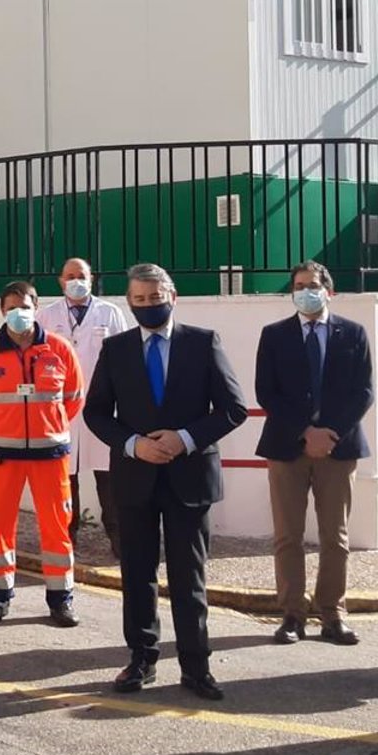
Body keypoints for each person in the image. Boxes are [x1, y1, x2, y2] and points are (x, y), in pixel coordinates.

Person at [84, 263, 248, 701]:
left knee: (188, 577)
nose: (148, 306)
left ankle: (196, 666)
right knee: (137, 574)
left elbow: (233, 408)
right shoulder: (116, 349)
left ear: (172, 296)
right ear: (129, 302)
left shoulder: (203, 342)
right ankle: (141, 659)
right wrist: (134, 444)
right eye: (138, 300)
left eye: (155, 298)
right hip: (136, 476)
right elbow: (96, 412)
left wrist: (185, 439)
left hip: (188, 476)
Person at [254, 260, 374, 647]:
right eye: (300, 285)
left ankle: (332, 613)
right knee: (288, 535)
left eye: (313, 285)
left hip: (338, 449)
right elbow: (266, 392)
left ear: (329, 291)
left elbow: (363, 392)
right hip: (287, 447)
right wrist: (304, 432)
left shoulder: (353, 334)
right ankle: (292, 613)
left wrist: (329, 433)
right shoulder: (274, 335)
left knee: (334, 536)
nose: (306, 291)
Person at [0, 281, 84, 628]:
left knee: (57, 527)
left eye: (25, 305)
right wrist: (5, 425)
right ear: (2, 310)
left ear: (36, 306)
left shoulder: (59, 349)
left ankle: (60, 599)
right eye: (12, 306)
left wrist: (48, 426)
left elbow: (74, 397)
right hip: (3, 454)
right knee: (0, 526)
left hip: (51, 453)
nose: (19, 312)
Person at [38, 258, 131, 531]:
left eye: (81, 276)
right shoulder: (46, 316)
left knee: (108, 474)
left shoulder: (110, 313)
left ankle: (117, 534)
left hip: (102, 405)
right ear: (60, 280)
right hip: (62, 407)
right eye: (70, 276)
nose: (75, 281)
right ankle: (68, 531)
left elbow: (126, 361)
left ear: (91, 280)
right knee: (66, 474)